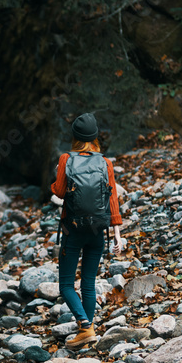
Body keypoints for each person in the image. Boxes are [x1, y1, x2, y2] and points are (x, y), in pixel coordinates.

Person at [50, 113, 126, 349]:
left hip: (73, 231)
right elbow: (112, 198)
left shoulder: (66, 159)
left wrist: (56, 176)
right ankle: (88, 332)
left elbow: (59, 193)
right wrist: (117, 235)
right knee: (89, 283)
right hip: (98, 231)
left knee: (65, 285)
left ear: (74, 136)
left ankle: (84, 325)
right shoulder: (105, 162)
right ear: (95, 137)